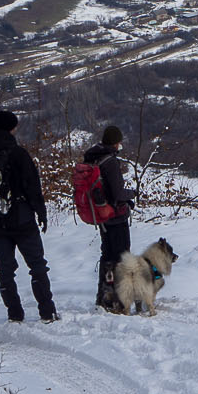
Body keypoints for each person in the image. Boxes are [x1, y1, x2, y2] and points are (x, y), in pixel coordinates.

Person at [0, 109, 56, 323]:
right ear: (13, 128)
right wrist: (41, 214)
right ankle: (47, 311)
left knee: (5, 269)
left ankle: (14, 313)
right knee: (37, 266)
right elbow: (33, 188)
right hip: (22, 220)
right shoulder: (18, 154)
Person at [84, 124, 133, 312]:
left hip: (101, 216)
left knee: (107, 257)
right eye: (119, 142)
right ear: (115, 143)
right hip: (115, 216)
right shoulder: (110, 162)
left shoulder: (93, 158)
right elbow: (118, 193)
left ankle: (103, 297)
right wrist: (132, 195)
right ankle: (118, 301)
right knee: (121, 257)